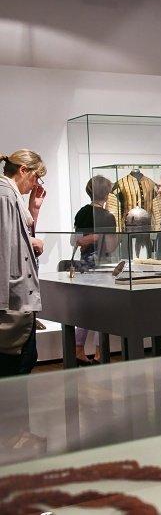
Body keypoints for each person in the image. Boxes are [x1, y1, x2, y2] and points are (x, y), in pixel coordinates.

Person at [0, 150, 47, 377]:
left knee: (23, 364)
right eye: (36, 177)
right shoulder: (5, 195)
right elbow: (3, 251)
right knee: (15, 371)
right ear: (23, 170)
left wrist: (33, 210)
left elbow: (19, 243)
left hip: (18, 304)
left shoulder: (11, 195)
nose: (36, 183)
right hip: (11, 307)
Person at [71, 175, 119, 364]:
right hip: (101, 266)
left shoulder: (82, 212)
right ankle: (100, 353)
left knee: (86, 309)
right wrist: (101, 236)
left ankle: (78, 350)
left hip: (84, 265)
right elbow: (110, 247)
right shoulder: (108, 216)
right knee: (102, 311)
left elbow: (74, 240)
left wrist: (89, 238)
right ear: (107, 193)